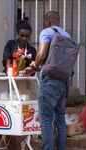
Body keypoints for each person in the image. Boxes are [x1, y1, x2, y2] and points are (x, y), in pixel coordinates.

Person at [21, 11, 71, 150]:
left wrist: (34, 65)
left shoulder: (47, 32)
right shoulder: (66, 35)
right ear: (58, 21)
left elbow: (42, 55)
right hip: (64, 82)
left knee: (46, 119)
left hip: (49, 82)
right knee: (60, 119)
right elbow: (53, 63)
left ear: (47, 21)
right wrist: (36, 68)